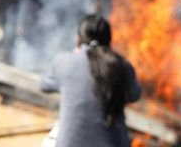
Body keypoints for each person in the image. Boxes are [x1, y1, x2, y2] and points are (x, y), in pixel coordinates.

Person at [40, 15, 141, 147]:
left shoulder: (64, 62)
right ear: (109, 42)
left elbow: (44, 85)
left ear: (78, 39)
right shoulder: (122, 66)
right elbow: (135, 95)